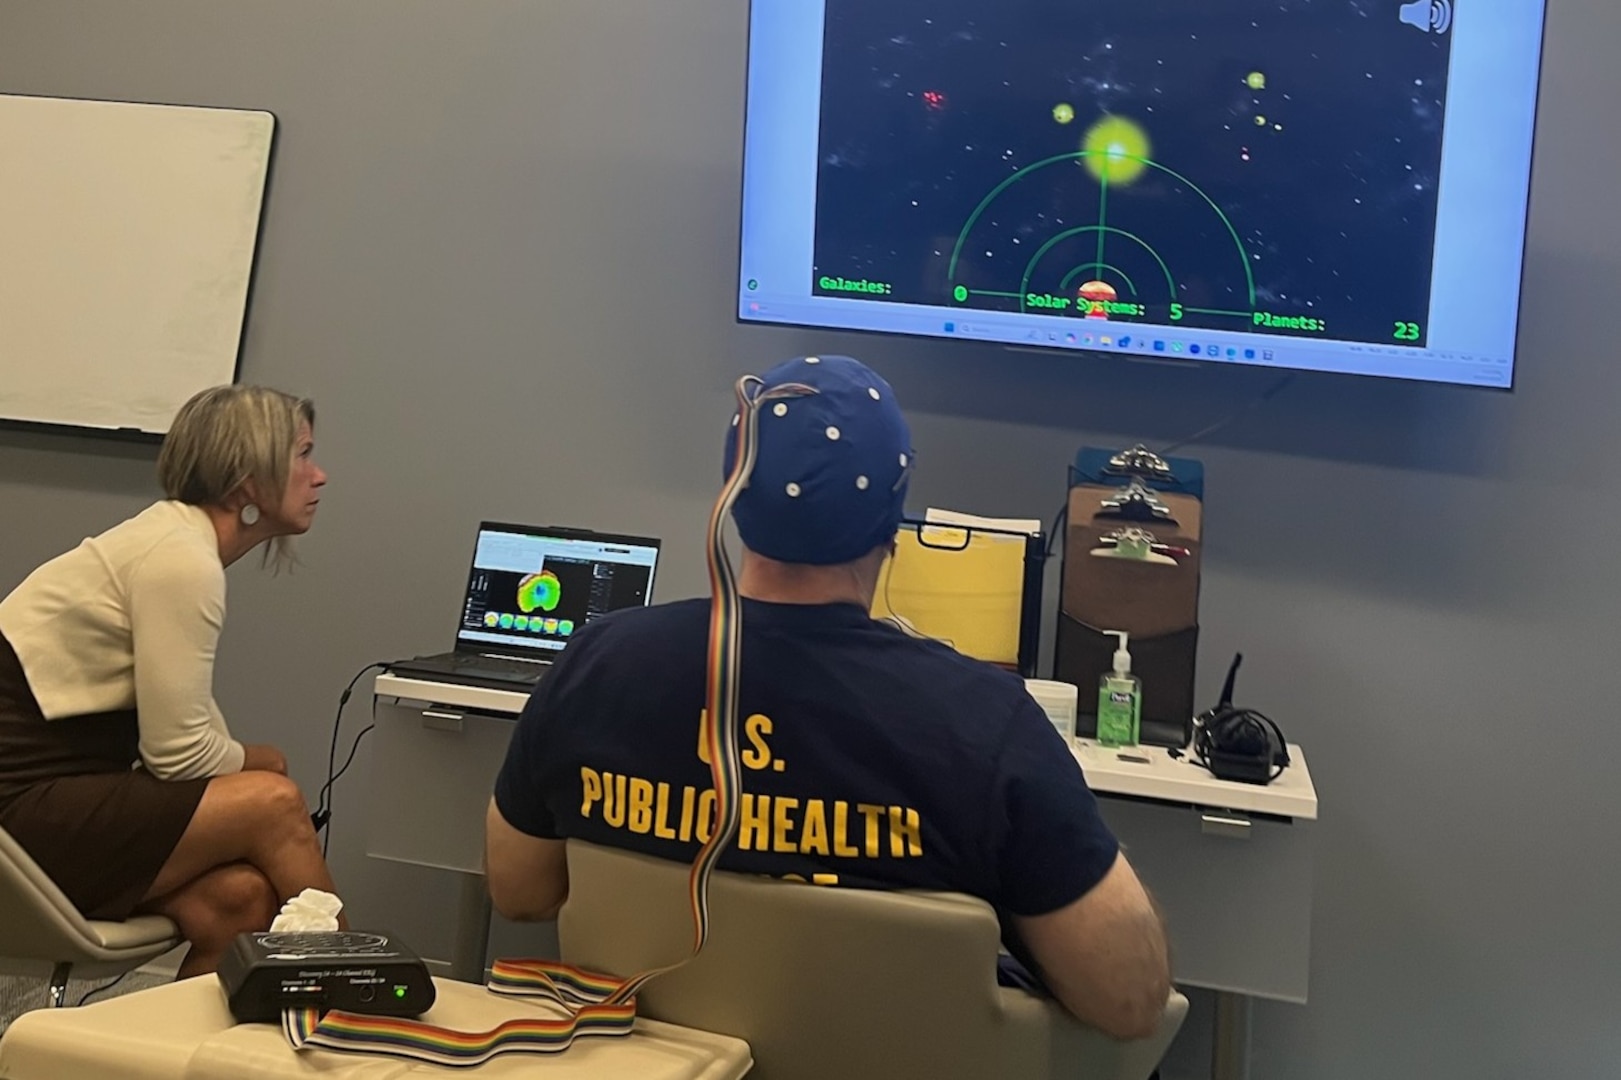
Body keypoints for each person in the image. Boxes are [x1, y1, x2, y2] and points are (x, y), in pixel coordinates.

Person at [485, 356, 1170, 1040]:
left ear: (733, 491)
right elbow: (1126, 999)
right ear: (890, 515)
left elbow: (518, 891)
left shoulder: (597, 665)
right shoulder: (984, 722)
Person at [0, 385, 343, 977]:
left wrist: (258, 762)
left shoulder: (174, 542)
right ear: (247, 480)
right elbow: (178, 755)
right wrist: (263, 764)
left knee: (239, 902)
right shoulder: (180, 559)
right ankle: (358, 982)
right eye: (302, 455)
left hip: (52, 801)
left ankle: (174, 1063)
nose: (320, 476)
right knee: (274, 802)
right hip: (18, 811)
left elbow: (190, 730)